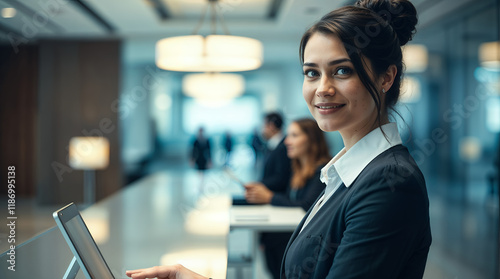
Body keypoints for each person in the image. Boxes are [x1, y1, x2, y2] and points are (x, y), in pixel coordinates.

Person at [126, 0, 432, 278]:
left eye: (342, 70)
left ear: (386, 78)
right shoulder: (346, 175)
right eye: (312, 73)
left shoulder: (389, 183)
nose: (322, 89)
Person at [245, 118, 331, 279]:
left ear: (311, 140)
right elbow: (291, 198)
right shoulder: (297, 169)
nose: (287, 142)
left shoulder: (323, 169)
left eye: (294, 135)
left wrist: (269, 197)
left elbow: (306, 204)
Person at [246, 112, 292, 194]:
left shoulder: (284, 147)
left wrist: (259, 185)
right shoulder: (271, 145)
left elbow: (281, 178)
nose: (262, 130)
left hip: (276, 196)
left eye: (263, 126)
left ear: (271, 126)